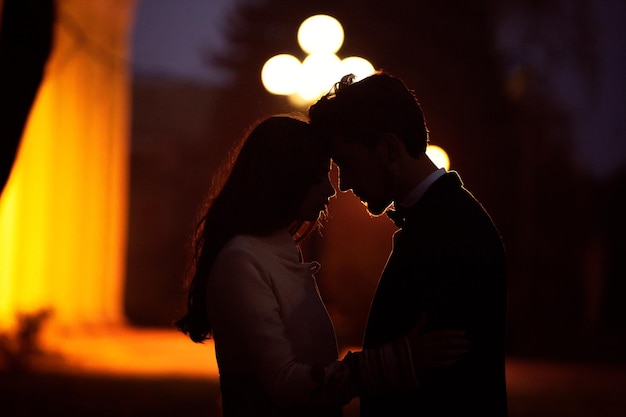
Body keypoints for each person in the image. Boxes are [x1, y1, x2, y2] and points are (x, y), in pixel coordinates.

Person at [175, 115, 469, 417]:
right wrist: (399, 360)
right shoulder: (242, 261)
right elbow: (285, 383)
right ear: (284, 178)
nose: (331, 191)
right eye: (318, 176)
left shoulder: (280, 252)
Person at [308, 72, 509, 416]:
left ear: (388, 149)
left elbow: (448, 384)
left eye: (347, 164)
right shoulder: (445, 220)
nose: (343, 184)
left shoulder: (453, 230)